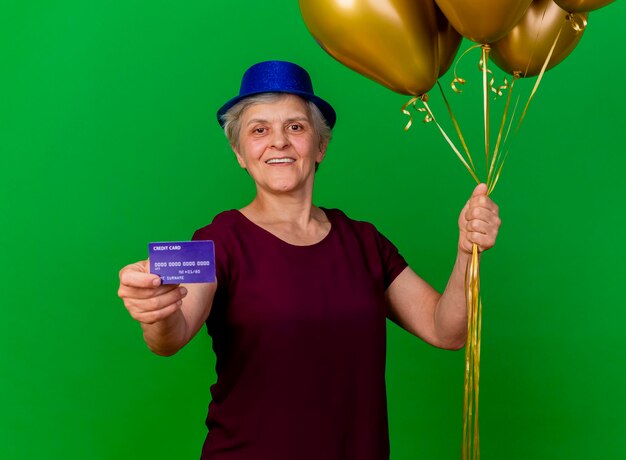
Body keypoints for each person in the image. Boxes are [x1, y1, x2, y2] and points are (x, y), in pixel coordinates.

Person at [117, 60, 501, 460]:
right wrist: (156, 310)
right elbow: (171, 335)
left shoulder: (364, 241)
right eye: (259, 129)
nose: (279, 142)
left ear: (321, 145)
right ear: (239, 152)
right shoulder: (216, 242)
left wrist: (465, 253)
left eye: (295, 127)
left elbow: (447, 331)